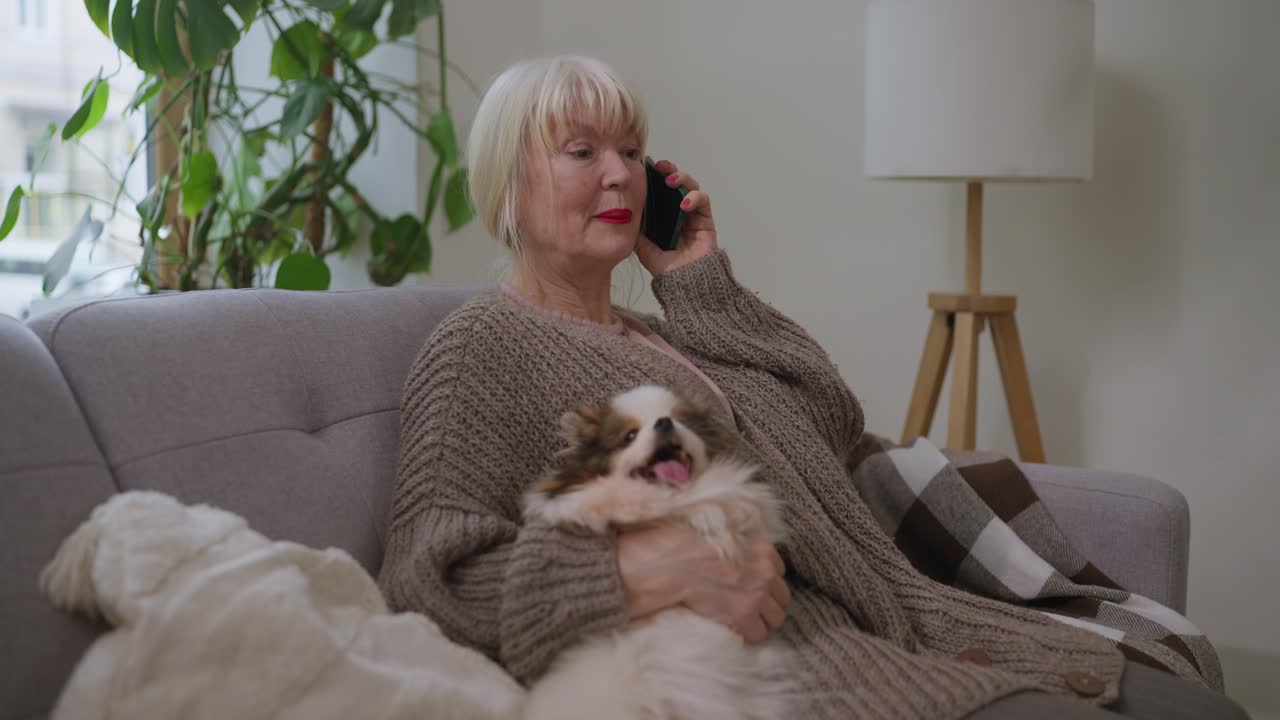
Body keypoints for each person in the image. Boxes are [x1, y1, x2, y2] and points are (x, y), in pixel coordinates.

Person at [376, 55, 1248, 720]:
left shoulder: (666, 335)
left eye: (632, 151)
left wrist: (698, 278)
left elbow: (834, 421)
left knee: (1207, 704)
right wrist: (643, 567)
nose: (619, 175)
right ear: (508, 181)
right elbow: (427, 578)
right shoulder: (482, 346)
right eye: (581, 151)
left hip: (921, 621)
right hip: (822, 670)